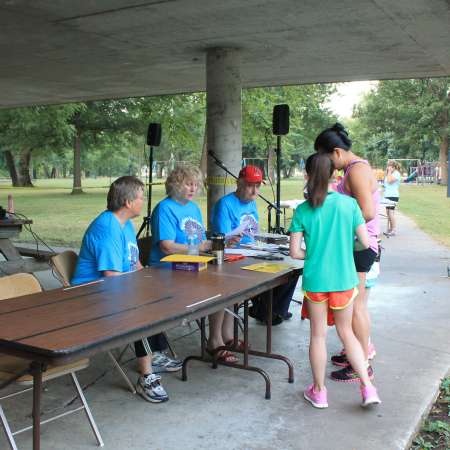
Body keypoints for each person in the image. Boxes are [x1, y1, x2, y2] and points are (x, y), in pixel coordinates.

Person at [72, 176, 181, 404]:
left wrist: (151, 279)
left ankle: (155, 354)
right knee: (140, 307)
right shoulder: (108, 227)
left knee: (156, 296)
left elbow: (134, 264)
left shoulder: (126, 224)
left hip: (113, 288)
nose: (143, 201)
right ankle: (146, 375)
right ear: (128, 202)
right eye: (141, 197)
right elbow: (111, 277)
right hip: (89, 295)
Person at [289, 153, 380, 408]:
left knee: (318, 336)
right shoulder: (348, 205)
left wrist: (316, 251)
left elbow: (295, 252)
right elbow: (364, 242)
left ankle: (319, 392)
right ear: (335, 176)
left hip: (316, 282)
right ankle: (368, 387)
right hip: (344, 280)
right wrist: (342, 248)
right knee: (347, 333)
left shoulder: (303, 210)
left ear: (307, 176)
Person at [314, 123, 379, 382]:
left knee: (357, 306)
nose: (325, 164)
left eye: (326, 157)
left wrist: (335, 223)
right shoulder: (353, 169)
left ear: (337, 152)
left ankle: (361, 361)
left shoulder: (356, 171)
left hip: (359, 245)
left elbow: (368, 212)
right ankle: (355, 351)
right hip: (353, 245)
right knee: (352, 306)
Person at [212, 165, 299, 327]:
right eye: (250, 186)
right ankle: (266, 309)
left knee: (291, 269)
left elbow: (254, 232)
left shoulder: (251, 203)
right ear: (239, 184)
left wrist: (266, 243)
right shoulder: (225, 204)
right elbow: (220, 239)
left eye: (257, 186)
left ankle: (270, 309)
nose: (254, 191)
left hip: (251, 252)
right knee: (274, 271)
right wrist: (230, 239)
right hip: (234, 257)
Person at [383, 160, 401, 236]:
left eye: (389, 166)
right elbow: (386, 184)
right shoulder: (389, 174)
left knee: (391, 213)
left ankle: (393, 230)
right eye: (387, 166)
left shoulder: (396, 174)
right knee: (388, 213)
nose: (388, 168)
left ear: (393, 167)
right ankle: (390, 229)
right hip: (387, 195)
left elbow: (390, 181)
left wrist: (389, 172)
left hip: (393, 195)